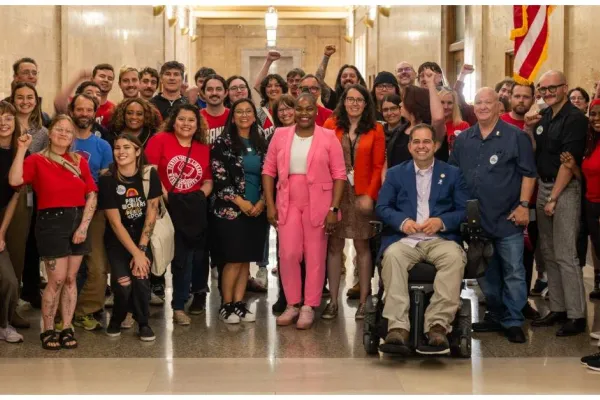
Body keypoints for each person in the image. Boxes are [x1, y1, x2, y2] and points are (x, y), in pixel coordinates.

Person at [450, 87, 536, 344]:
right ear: (473, 107)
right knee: (485, 271)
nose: (483, 107)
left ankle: (513, 320)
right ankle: (495, 315)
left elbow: (529, 173)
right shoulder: (464, 139)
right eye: (478, 103)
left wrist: (523, 205)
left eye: (489, 102)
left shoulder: (516, 137)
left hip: (508, 217)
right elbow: (454, 176)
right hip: (476, 220)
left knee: (513, 271)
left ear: (499, 105)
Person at [376, 123, 469, 354]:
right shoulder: (397, 173)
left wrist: (441, 221)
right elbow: (382, 206)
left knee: (455, 259)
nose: (421, 146)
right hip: (405, 240)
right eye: (416, 142)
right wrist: (402, 221)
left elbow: (465, 210)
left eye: (426, 141)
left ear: (436, 145)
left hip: (440, 239)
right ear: (409, 147)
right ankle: (398, 328)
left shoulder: (452, 174)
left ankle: (437, 326)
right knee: (393, 257)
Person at [9, 114, 98, 350]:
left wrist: (84, 226)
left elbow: (91, 194)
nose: (63, 134)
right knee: (56, 280)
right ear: (50, 133)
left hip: (78, 220)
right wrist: (21, 149)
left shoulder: (79, 161)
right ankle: (48, 328)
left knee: (70, 279)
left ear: (72, 137)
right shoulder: (37, 160)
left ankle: (66, 326)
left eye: (68, 131)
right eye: (58, 129)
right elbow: (15, 180)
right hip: (51, 222)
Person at [263, 93, 346, 329]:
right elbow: (268, 171)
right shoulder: (280, 135)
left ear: (315, 111)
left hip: (319, 202)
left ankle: (309, 305)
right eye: (299, 109)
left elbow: (339, 175)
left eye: (309, 109)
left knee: (315, 255)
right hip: (288, 200)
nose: (304, 114)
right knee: (288, 253)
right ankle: (292, 304)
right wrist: (270, 204)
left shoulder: (328, 137)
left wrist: (334, 208)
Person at [525, 70, 588, 337]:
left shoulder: (574, 119)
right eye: (543, 88)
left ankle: (576, 315)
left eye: (553, 88)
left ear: (565, 87)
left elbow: (568, 160)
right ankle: (558, 309)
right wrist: (529, 129)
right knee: (548, 252)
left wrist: (553, 198)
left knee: (565, 254)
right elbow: (538, 152)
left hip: (564, 189)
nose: (547, 92)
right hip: (543, 184)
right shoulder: (545, 117)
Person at [145, 104, 213, 325]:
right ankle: (139, 304)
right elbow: (151, 171)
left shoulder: (203, 147)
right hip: (165, 207)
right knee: (164, 253)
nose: (186, 124)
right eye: (181, 119)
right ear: (174, 121)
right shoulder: (160, 140)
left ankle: (179, 305)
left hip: (193, 208)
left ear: (197, 124)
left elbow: (209, 180)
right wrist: (167, 198)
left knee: (189, 257)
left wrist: (198, 198)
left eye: (191, 120)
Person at [322, 84, 386, 320]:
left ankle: (364, 302)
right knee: (334, 246)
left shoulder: (376, 129)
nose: (355, 103)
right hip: (336, 194)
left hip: (362, 195)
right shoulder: (330, 125)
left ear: (366, 103)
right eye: (350, 99)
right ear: (344, 101)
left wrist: (370, 194)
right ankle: (333, 303)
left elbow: (379, 166)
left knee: (362, 247)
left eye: (360, 100)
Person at [210, 99, 268, 323]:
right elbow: (219, 177)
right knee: (233, 259)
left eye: (248, 112)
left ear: (254, 116)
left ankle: (239, 303)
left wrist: (263, 201)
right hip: (230, 212)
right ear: (232, 117)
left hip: (257, 211)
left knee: (246, 260)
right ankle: (226, 305)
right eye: (239, 112)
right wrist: (240, 202)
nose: (244, 115)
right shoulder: (222, 143)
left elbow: (269, 175)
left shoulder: (261, 142)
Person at [99, 134, 161, 341]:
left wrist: (141, 249)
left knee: (142, 279)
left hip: (142, 237)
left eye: (127, 147)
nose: (121, 152)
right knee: (124, 284)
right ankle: (117, 318)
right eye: (117, 147)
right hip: (117, 240)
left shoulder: (149, 174)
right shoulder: (107, 178)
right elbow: (115, 223)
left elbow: (152, 210)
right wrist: (135, 253)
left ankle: (143, 322)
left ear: (137, 151)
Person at [68, 93, 113, 331]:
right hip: (63, 210)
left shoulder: (102, 145)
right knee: (65, 267)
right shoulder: (63, 140)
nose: (84, 114)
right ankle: (60, 313)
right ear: (72, 111)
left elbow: (105, 180)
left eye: (89, 110)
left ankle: (84, 310)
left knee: (97, 266)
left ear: (95, 113)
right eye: (80, 109)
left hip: (93, 210)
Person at [10, 81, 49, 311]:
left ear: (36, 101)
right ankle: (10, 293)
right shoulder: (6, 124)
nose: (25, 101)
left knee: (32, 242)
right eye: (20, 97)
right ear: (13, 101)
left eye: (29, 97)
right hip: (9, 191)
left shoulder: (42, 132)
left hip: (33, 193)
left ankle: (31, 289)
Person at [0, 101, 26, 342]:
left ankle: (4, 324)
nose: (3, 123)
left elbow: (15, 194)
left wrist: (1, 232)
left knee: (8, 279)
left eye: (8, 118)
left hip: (6, 215)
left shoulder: (19, 151)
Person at [385, 71, 447, 169]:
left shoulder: (430, 129)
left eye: (403, 101)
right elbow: (389, 160)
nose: (400, 104)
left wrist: (431, 84)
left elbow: (438, 118)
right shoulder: (400, 129)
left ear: (413, 104)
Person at [10, 57, 51, 127]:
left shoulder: (45, 118)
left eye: (34, 73)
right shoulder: (3, 109)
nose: (31, 76)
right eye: (26, 72)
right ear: (16, 77)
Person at [438, 88, 470, 154]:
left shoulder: (463, 126)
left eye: (449, 103)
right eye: (442, 102)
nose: (445, 106)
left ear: (455, 105)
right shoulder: (432, 125)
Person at [257, 74, 288, 139]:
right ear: (264, 90)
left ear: (283, 88)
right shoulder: (258, 113)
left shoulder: (290, 110)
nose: (273, 89)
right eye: (269, 86)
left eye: (277, 85)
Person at [91, 64, 116, 128]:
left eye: (110, 78)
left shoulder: (114, 110)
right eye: (102, 76)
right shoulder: (78, 103)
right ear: (92, 79)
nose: (106, 80)